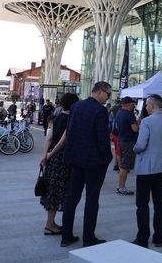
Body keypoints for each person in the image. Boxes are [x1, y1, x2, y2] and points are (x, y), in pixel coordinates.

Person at [60, 82, 113, 248]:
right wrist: (107, 158)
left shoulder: (76, 106)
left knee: (72, 198)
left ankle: (66, 236)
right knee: (91, 200)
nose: (108, 98)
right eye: (108, 94)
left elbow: (70, 131)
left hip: (76, 160)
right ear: (100, 91)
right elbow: (103, 139)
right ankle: (88, 238)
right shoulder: (100, 110)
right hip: (94, 162)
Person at [132, 94, 162, 248]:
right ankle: (158, 237)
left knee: (142, 204)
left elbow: (141, 144)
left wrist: (134, 149)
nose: (145, 108)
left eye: (146, 105)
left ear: (152, 105)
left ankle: (143, 238)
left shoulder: (147, 122)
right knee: (159, 203)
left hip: (146, 168)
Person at [39, 93, 79, 236]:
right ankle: (49, 225)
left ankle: (51, 223)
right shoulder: (71, 120)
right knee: (56, 193)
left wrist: (45, 156)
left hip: (52, 159)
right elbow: (62, 142)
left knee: (52, 191)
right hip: (62, 159)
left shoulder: (55, 118)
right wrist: (51, 154)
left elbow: (49, 138)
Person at [116, 96, 139, 196]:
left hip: (121, 140)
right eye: (132, 103)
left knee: (123, 165)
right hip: (129, 142)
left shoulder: (119, 112)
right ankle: (122, 187)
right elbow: (135, 129)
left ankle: (121, 186)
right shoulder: (129, 114)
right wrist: (138, 123)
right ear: (129, 104)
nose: (133, 105)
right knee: (125, 166)